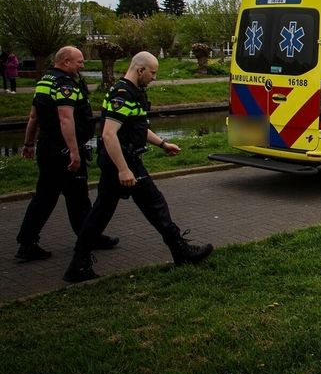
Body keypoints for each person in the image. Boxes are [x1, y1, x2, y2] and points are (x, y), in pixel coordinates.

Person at [63, 52, 213, 283]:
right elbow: (109, 135)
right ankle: (181, 251)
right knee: (155, 204)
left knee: (101, 213)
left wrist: (163, 144)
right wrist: (123, 169)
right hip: (122, 163)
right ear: (140, 70)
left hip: (123, 161)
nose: (154, 77)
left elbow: (137, 128)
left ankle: (78, 263)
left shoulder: (133, 93)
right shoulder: (122, 94)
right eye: (152, 73)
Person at [15, 47, 119, 261]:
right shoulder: (64, 85)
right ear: (65, 62)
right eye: (79, 62)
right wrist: (74, 151)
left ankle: (27, 242)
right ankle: (89, 237)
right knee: (78, 197)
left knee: (46, 196)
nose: (82, 66)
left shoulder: (45, 81)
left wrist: (28, 143)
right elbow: (65, 118)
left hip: (47, 147)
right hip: (63, 150)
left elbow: (34, 116)